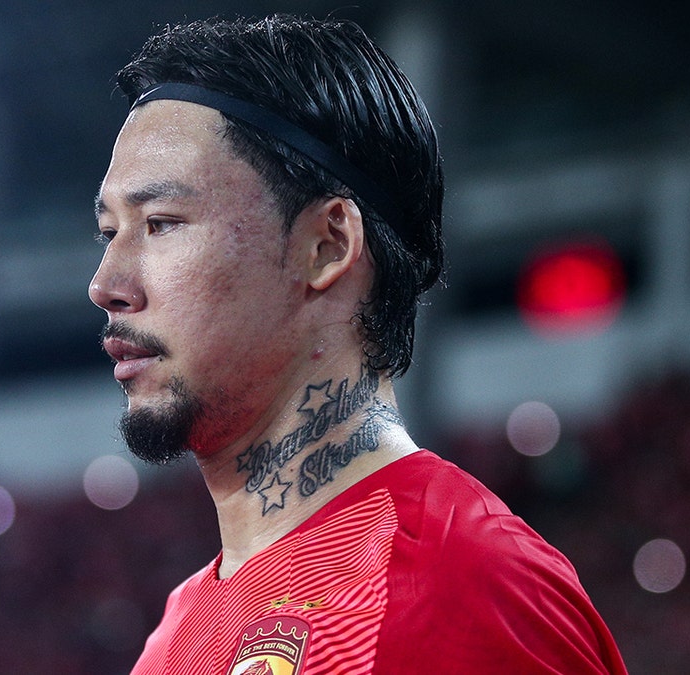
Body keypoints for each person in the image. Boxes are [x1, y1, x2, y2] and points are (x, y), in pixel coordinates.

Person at [88, 15, 626, 674]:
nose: (106, 284)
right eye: (109, 232)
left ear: (328, 245)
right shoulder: (171, 637)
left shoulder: (467, 586)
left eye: (162, 223)